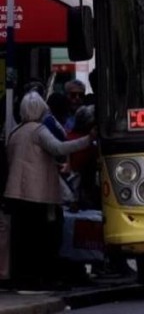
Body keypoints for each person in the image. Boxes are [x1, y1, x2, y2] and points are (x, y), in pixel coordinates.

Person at [4, 92, 96, 292]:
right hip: (38, 193)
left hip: (15, 193)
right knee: (42, 237)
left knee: (22, 239)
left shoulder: (15, 132)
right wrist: (87, 140)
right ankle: (40, 278)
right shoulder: (39, 131)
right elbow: (59, 148)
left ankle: (22, 277)